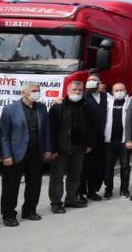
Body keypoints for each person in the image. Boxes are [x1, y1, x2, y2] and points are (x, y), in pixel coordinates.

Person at [0, 82, 53, 227]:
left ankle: (29, 210)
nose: (37, 93)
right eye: (34, 91)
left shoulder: (41, 108)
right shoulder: (10, 109)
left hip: (36, 153)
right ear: (23, 93)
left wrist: (48, 149)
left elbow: (46, 130)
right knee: (11, 186)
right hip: (16, 154)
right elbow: (4, 135)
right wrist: (6, 155)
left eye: (38, 90)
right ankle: (8, 215)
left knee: (34, 184)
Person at [48, 81, 95, 214]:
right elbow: (51, 130)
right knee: (57, 178)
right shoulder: (58, 106)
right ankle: (56, 202)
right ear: (68, 91)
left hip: (79, 147)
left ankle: (71, 199)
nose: (77, 92)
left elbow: (91, 126)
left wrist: (89, 144)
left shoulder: (86, 106)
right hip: (61, 149)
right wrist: (52, 149)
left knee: (75, 175)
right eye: (74, 89)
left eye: (80, 90)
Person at [80, 73, 110, 202]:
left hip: (101, 139)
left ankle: (92, 191)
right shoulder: (82, 97)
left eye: (94, 79)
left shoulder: (106, 97)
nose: (91, 81)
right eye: (89, 79)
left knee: (97, 167)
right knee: (84, 167)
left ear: (100, 83)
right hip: (86, 139)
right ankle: (80, 193)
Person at [104, 83, 131, 198]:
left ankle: (124, 189)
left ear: (126, 90)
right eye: (116, 90)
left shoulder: (131, 102)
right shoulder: (107, 102)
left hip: (124, 141)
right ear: (112, 92)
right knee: (108, 166)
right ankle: (108, 189)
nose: (119, 92)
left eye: (121, 90)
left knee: (125, 166)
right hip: (109, 141)